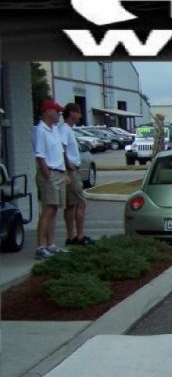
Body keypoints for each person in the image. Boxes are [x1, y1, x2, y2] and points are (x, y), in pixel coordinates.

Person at [33, 99, 68, 259]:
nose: (59, 114)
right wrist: (48, 176)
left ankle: (51, 244)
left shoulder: (54, 129)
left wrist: (64, 173)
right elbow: (40, 156)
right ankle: (40, 247)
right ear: (48, 112)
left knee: (54, 210)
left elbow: (60, 152)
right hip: (50, 174)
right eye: (57, 112)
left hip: (59, 172)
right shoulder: (40, 130)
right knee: (47, 210)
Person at [59, 103, 94, 245]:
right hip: (71, 171)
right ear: (72, 113)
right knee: (81, 203)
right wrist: (68, 164)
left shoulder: (67, 129)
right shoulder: (64, 129)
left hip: (71, 170)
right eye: (79, 113)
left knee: (71, 205)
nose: (80, 116)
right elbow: (62, 148)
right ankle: (79, 236)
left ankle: (71, 236)